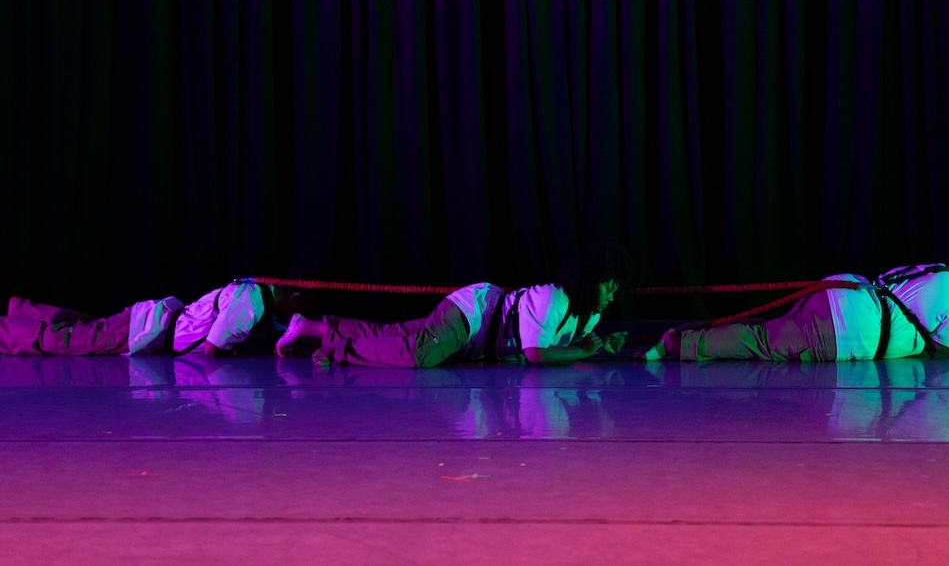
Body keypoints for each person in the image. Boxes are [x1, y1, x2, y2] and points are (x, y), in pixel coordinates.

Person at [274, 243, 636, 367]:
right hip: (471, 314)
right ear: (591, 280)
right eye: (609, 284)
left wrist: (598, 344)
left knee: (399, 334)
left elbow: (566, 348)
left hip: (475, 333)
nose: (611, 294)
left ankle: (310, 327)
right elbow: (536, 354)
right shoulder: (553, 298)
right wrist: (586, 351)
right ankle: (338, 350)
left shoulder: (589, 316)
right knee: (419, 354)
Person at [639, 252, 949, 362]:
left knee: (768, 329)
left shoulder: (938, 271)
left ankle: (690, 333)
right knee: (762, 342)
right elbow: (942, 353)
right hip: (846, 325)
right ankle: (678, 344)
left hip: (846, 295)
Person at [0, 279, 304, 357]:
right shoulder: (253, 300)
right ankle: (6, 329)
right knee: (64, 341)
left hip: (148, 321)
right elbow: (213, 348)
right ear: (294, 296)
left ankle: (20, 308)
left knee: (82, 328)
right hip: (145, 329)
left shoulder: (253, 294)